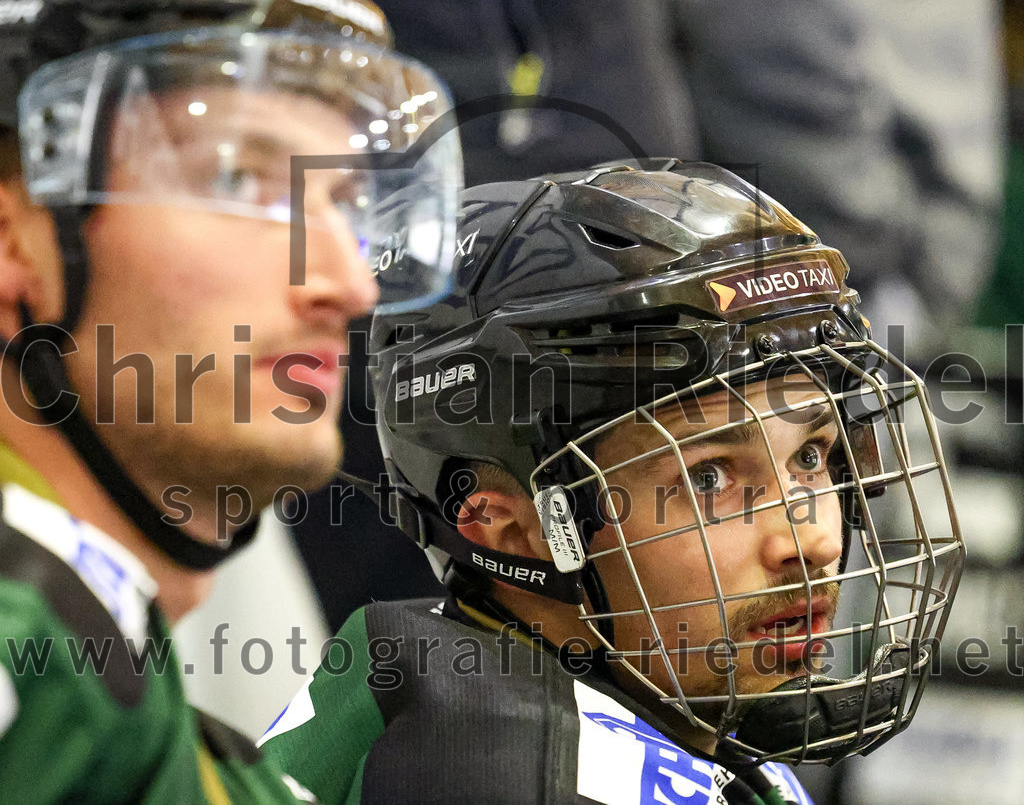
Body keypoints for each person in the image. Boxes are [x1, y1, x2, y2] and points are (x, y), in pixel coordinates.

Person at [262, 160, 965, 804]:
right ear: (507, 524)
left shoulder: (487, 690)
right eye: (711, 475)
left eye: (811, 454)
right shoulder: (510, 776)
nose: (809, 537)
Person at [0, 0, 461, 800]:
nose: (350, 283)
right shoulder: (27, 642)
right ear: (13, 244)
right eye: (236, 180)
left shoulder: (127, 685)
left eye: (348, 205)